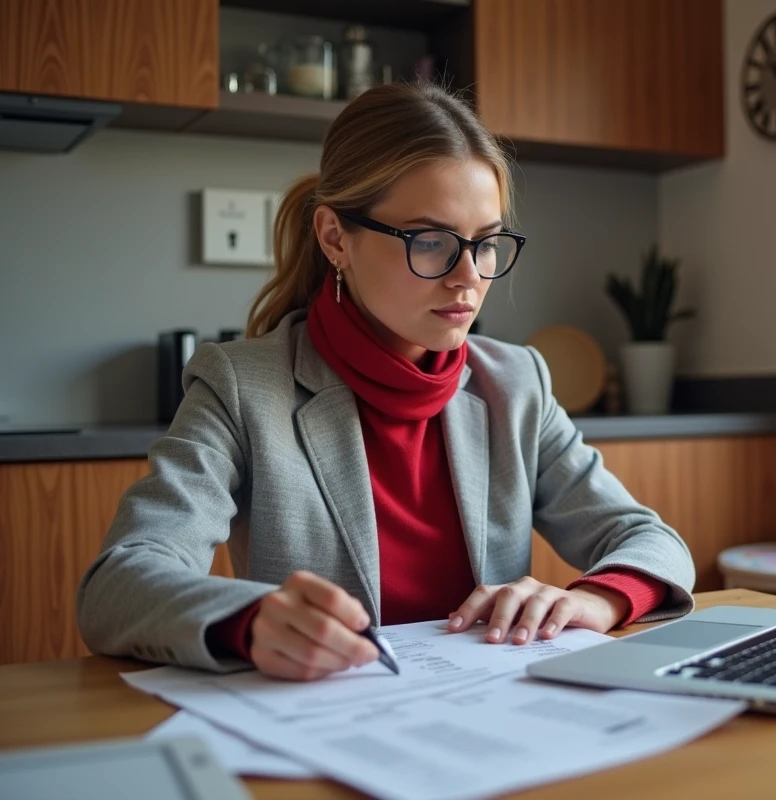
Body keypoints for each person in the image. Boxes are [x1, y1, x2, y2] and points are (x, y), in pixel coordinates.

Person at [76, 82, 695, 681]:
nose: (468, 277)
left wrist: (600, 599)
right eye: (431, 242)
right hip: (322, 732)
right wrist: (250, 620)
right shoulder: (240, 386)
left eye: (485, 243)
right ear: (335, 238)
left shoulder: (516, 383)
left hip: (486, 729)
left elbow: (649, 540)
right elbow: (118, 584)